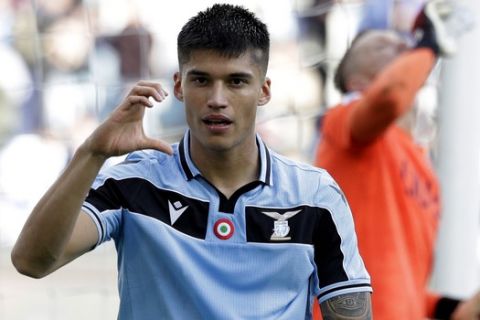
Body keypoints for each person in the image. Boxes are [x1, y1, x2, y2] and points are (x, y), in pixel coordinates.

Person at [11, 4, 372, 319]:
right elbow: (31, 262)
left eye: (236, 82)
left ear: (263, 91)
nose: (217, 99)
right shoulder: (135, 182)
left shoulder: (314, 195)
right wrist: (92, 153)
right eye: (201, 80)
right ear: (179, 86)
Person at [314, 0, 480, 319]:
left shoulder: (421, 165)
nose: (402, 42)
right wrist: (429, 44)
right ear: (357, 84)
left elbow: (407, 285)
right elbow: (389, 97)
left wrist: (453, 308)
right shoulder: (341, 121)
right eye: (382, 44)